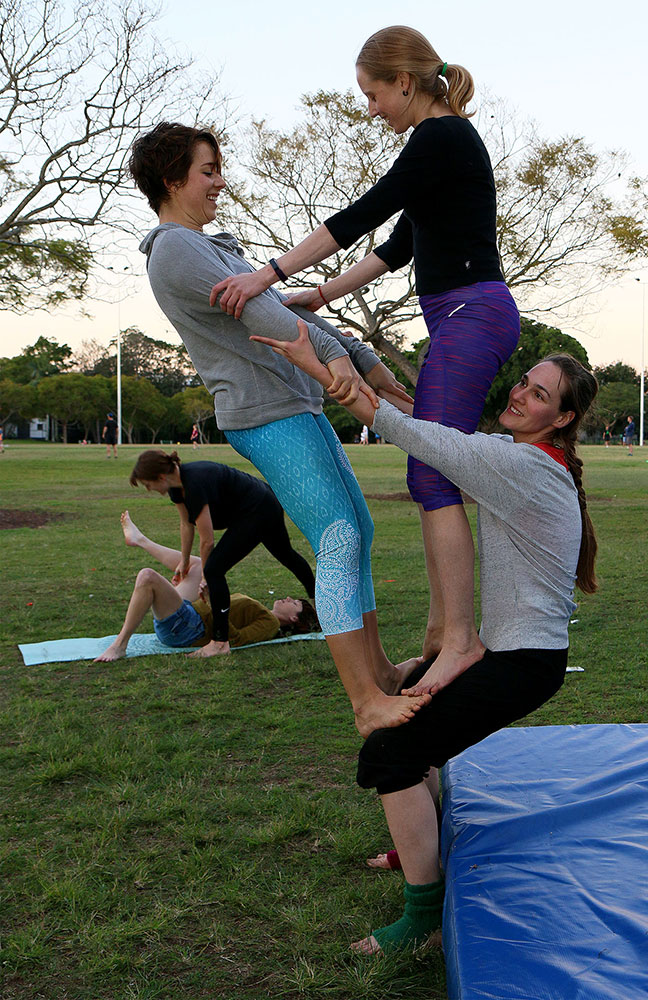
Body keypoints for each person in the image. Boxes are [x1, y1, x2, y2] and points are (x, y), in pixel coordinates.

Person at [256, 319, 599, 954]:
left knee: (392, 755)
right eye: (525, 382)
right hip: (515, 654)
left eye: (541, 395)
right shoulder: (528, 460)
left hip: (523, 662)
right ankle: (427, 844)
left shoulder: (519, 463)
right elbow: (432, 428)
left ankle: (424, 919)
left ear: (561, 418)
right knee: (414, 693)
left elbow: (409, 430)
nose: (522, 394)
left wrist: (314, 361)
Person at [209, 26, 521, 698]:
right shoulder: (442, 148)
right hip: (463, 318)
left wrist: (266, 275)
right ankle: (444, 637)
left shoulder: (440, 137)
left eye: (374, 94)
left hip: (473, 315)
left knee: (430, 471)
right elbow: (400, 243)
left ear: (405, 82)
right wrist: (316, 294)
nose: (371, 108)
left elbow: (364, 214)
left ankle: (460, 642)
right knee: (432, 469)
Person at [128, 123, 427, 732]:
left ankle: (384, 674)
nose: (219, 181)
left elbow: (284, 307)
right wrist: (339, 362)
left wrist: (363, 359)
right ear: (172, 179)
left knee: (358, 532)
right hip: (264, 413)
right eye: (208, 170)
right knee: (338, 537)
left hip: (294, 404)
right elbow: (269, 316)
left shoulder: (207, 246)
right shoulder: (177, 248)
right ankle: (366, 702)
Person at [128, 451, 316, 658]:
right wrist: (183, 561)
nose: (149, 489)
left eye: (148, 484)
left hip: (260, 507)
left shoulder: (194, 484)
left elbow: (207, 541)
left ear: (161, 477)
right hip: (252, 506)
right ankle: (318, 604)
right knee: (285, 555)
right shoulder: (176, 487)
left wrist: (205, 578)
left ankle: (220, 642)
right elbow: (186, 525)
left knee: (215, 570)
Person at [95, 511, 318, 662]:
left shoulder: (269, 624)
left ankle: (119, 645)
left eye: (295, 603)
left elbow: (236, 639)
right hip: (189, 614)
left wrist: (213, 603)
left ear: (295, 619)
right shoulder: (264, 612)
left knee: (147, 577)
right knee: (199, 565)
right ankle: (139, 539)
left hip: (188, 628)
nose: (289, 598)